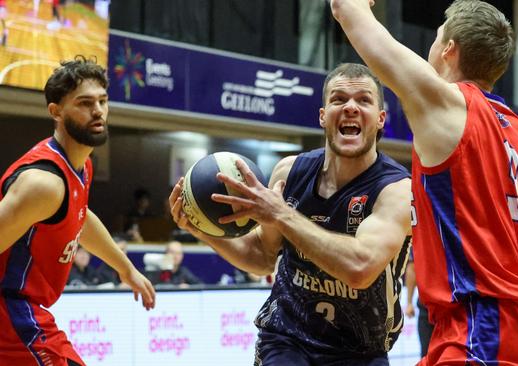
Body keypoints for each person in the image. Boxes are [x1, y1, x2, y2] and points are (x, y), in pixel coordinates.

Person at [330, 1, 518, 365]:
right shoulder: (517, 133)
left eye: (436, 38)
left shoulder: (446, 104)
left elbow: (346, 9)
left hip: (481, 330)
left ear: (448, 49)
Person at [169, 63, 412, 365]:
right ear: (323, 116)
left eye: (363, 100)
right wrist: (200, 229)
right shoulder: (289, 172)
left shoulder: (396, 189)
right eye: (338, 99)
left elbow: (360, 268)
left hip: (361, 349)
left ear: (380, 119)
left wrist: (281, 214)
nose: (350, 107)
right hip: (287, 339)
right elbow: (261, 255)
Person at [0, 55, 155, 366]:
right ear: (56, 112)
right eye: (85, 103)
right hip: (10, 312)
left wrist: (125, 268)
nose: (97, 111)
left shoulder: (79, 167)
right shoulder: (44, 184)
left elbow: (80, 218)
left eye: (102, 101)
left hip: (24, 310)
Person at [404, 254, 433, 358]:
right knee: (427, 355)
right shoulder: (420, 239)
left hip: (452, 305)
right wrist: (409, 302)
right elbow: (412, 268)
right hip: (427, 305)